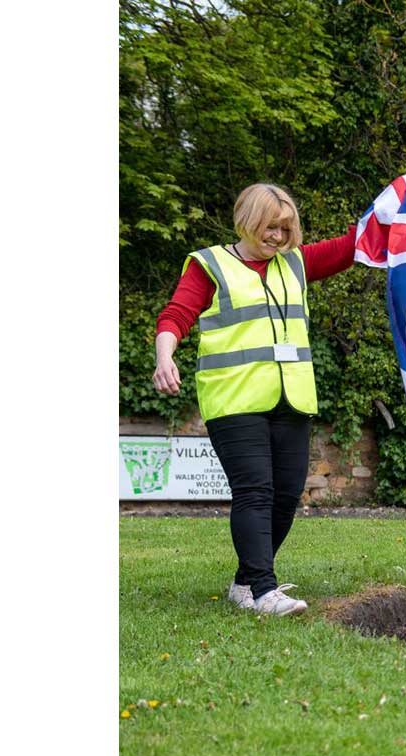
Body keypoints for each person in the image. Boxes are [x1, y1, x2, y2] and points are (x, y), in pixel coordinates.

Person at [153, 183, 357, 615]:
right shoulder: (211, 265)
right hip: (235, 401)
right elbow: (177, 314)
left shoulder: (295, 264)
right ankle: (264, 591)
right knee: (255, 492)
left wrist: (396, 208)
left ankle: (245, 583)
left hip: (291, 398)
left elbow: (352, 247)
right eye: (270, 227)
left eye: (285, 229)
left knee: (286, 496)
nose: (278, 237)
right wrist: (164, 356)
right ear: (247, 220)